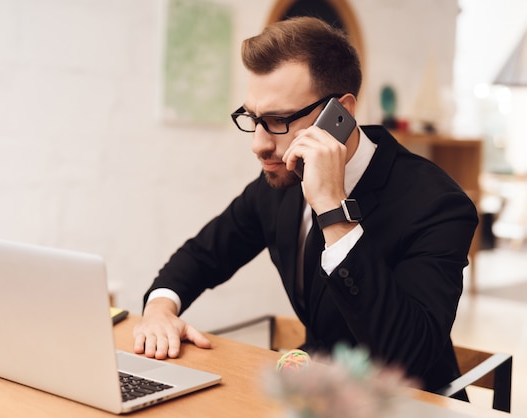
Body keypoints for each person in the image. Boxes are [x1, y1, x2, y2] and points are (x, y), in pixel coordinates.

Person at [133, 16, 478, 394]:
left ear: (340, 114)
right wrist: (160, 310)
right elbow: (203, 255)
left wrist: (334, 209)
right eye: (253, 118)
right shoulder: (279, 183)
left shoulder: (437, 204)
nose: (259, 144)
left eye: (278, 121)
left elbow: (407, 356)